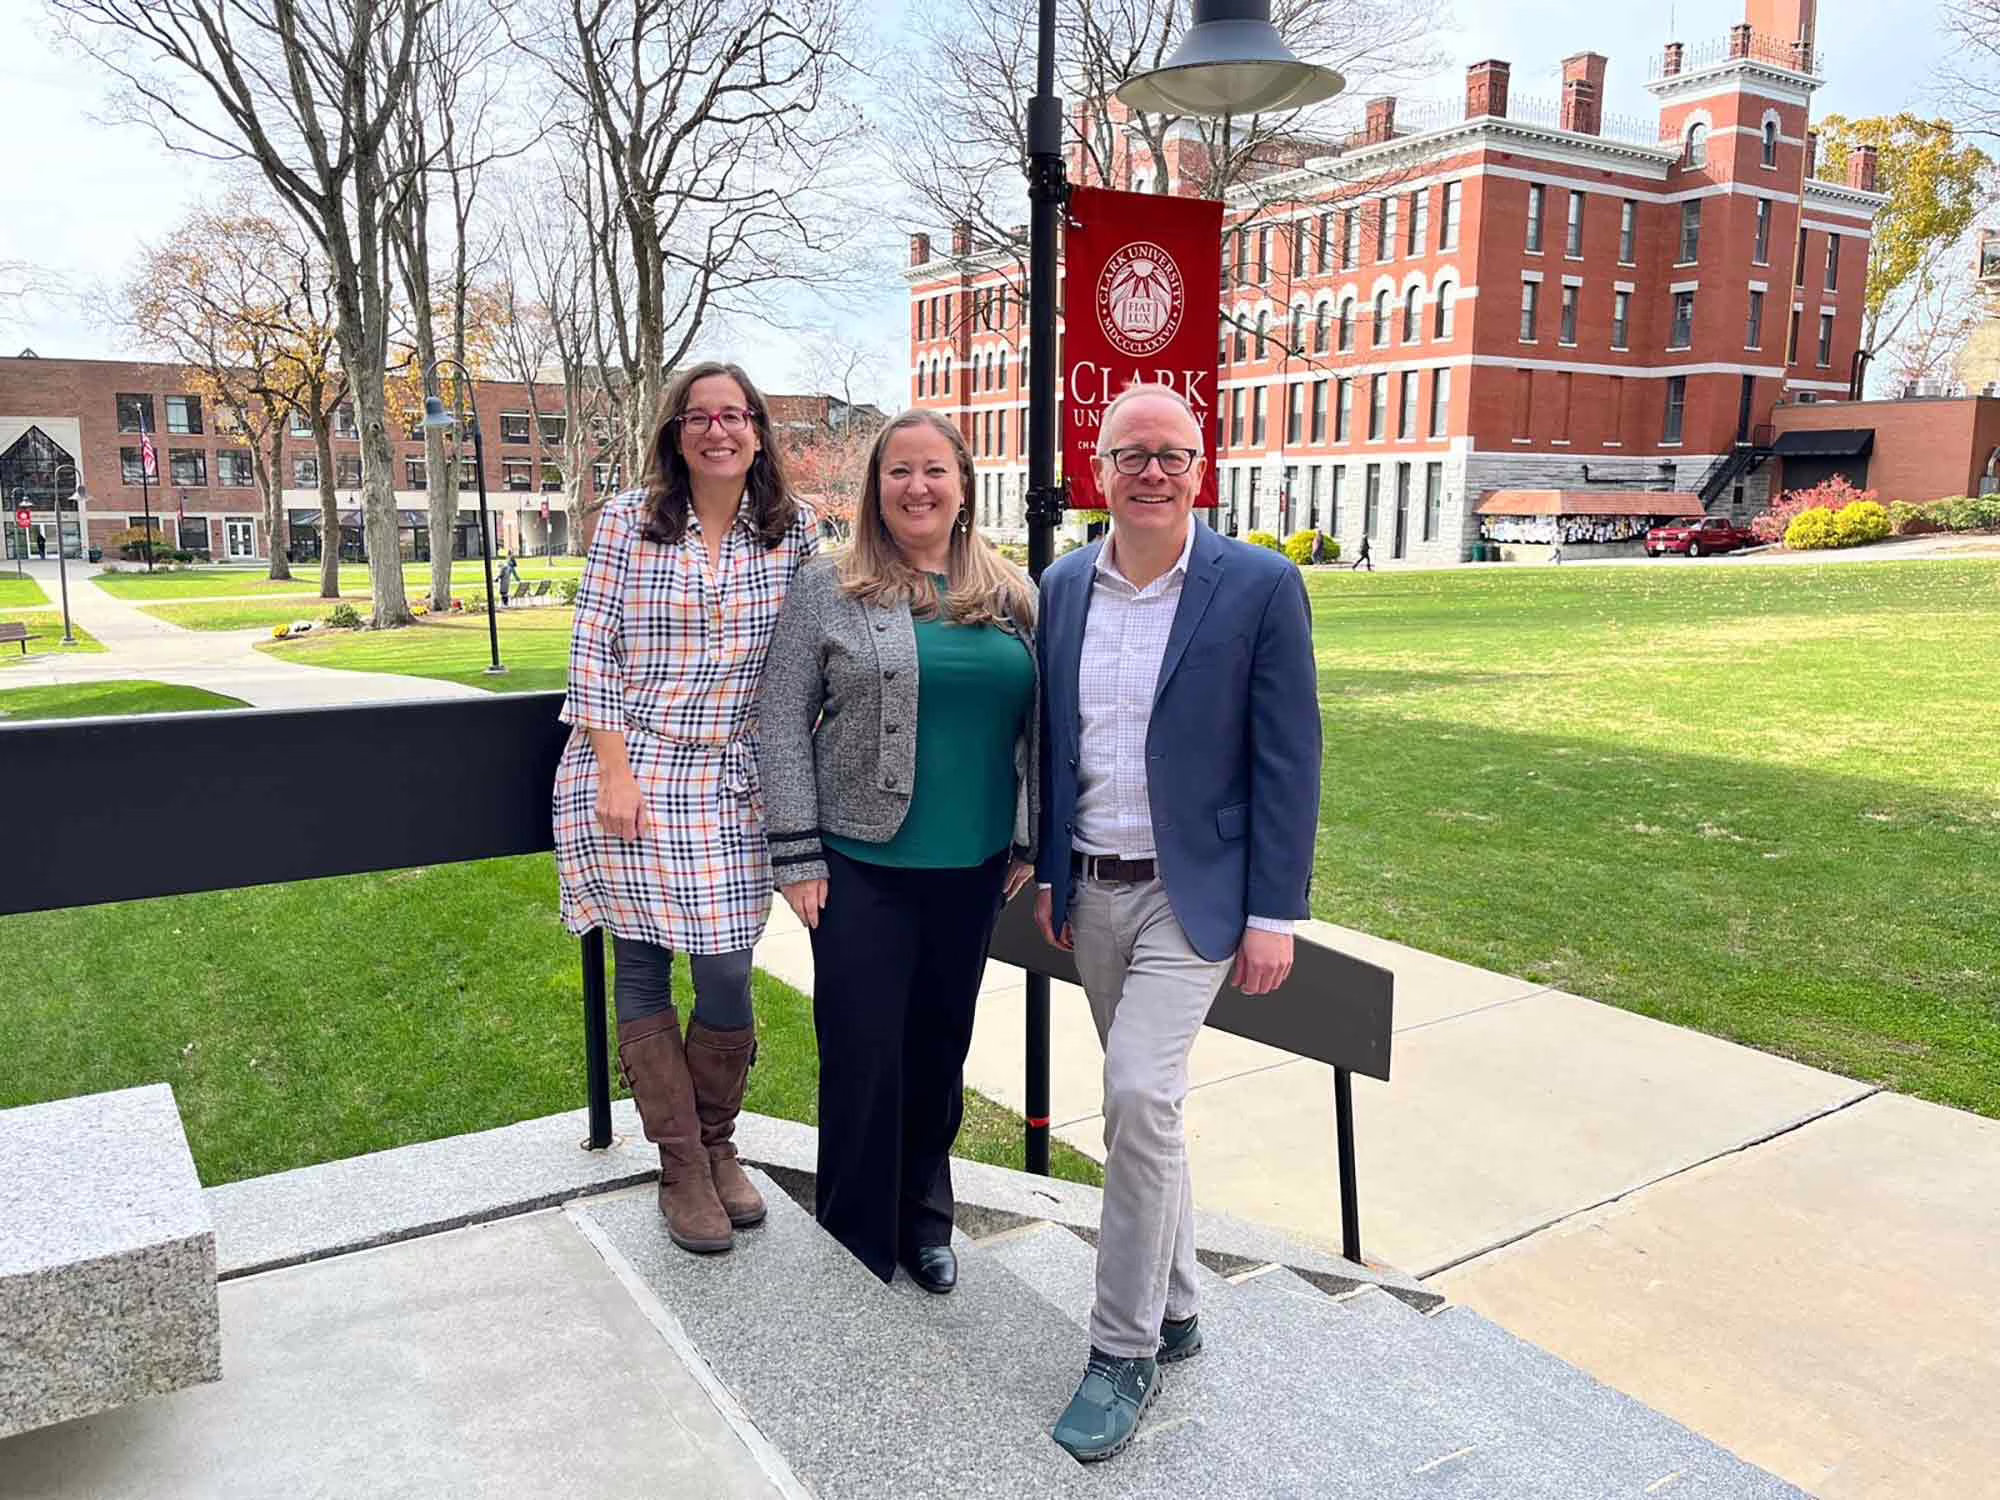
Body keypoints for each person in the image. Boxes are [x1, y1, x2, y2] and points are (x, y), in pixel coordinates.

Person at [1034, 383, 1320, 1462]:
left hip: (1193, 897)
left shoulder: (1256, 586)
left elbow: (1289, 758)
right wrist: (1055, 872)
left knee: (1136, 1093)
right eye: (1129, 454)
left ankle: (1123, 1351)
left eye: (1172, 453)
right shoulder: (1063, 585)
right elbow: (1052, 739)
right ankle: (1183, 1303)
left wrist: (1272, 912)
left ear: (1200, 467)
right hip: (1094, 891)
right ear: (1096, 468)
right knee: (1147, 1115)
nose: (1150, 471)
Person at [757, 408, 1038, 1294]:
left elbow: (1040, 728)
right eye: (898, 472)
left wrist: (1027, 835)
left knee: (938, 1053)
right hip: (859, 867)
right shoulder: (828, 586)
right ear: (876, 488)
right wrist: (797, 855)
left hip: (974, 871)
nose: (917, 488)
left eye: (934, 472)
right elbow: (778, 719)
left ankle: (925, 1218)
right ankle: (855, 1236)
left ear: (963, 485)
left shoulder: (1015, 594)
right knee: (863, 1055)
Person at [552, 360, 818, 1255]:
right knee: (641, 967)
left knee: (728, 971)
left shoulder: (792, 531)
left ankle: (717, 1142)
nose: (718, 431)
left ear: (757, 431)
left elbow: (819, 655)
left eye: (735, 416)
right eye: (700, 417)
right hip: (632, 768)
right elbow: (594, 650)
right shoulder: (630, 520)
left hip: (732, 779)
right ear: (676, 431)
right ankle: (680, 1164)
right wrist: (614, 772)